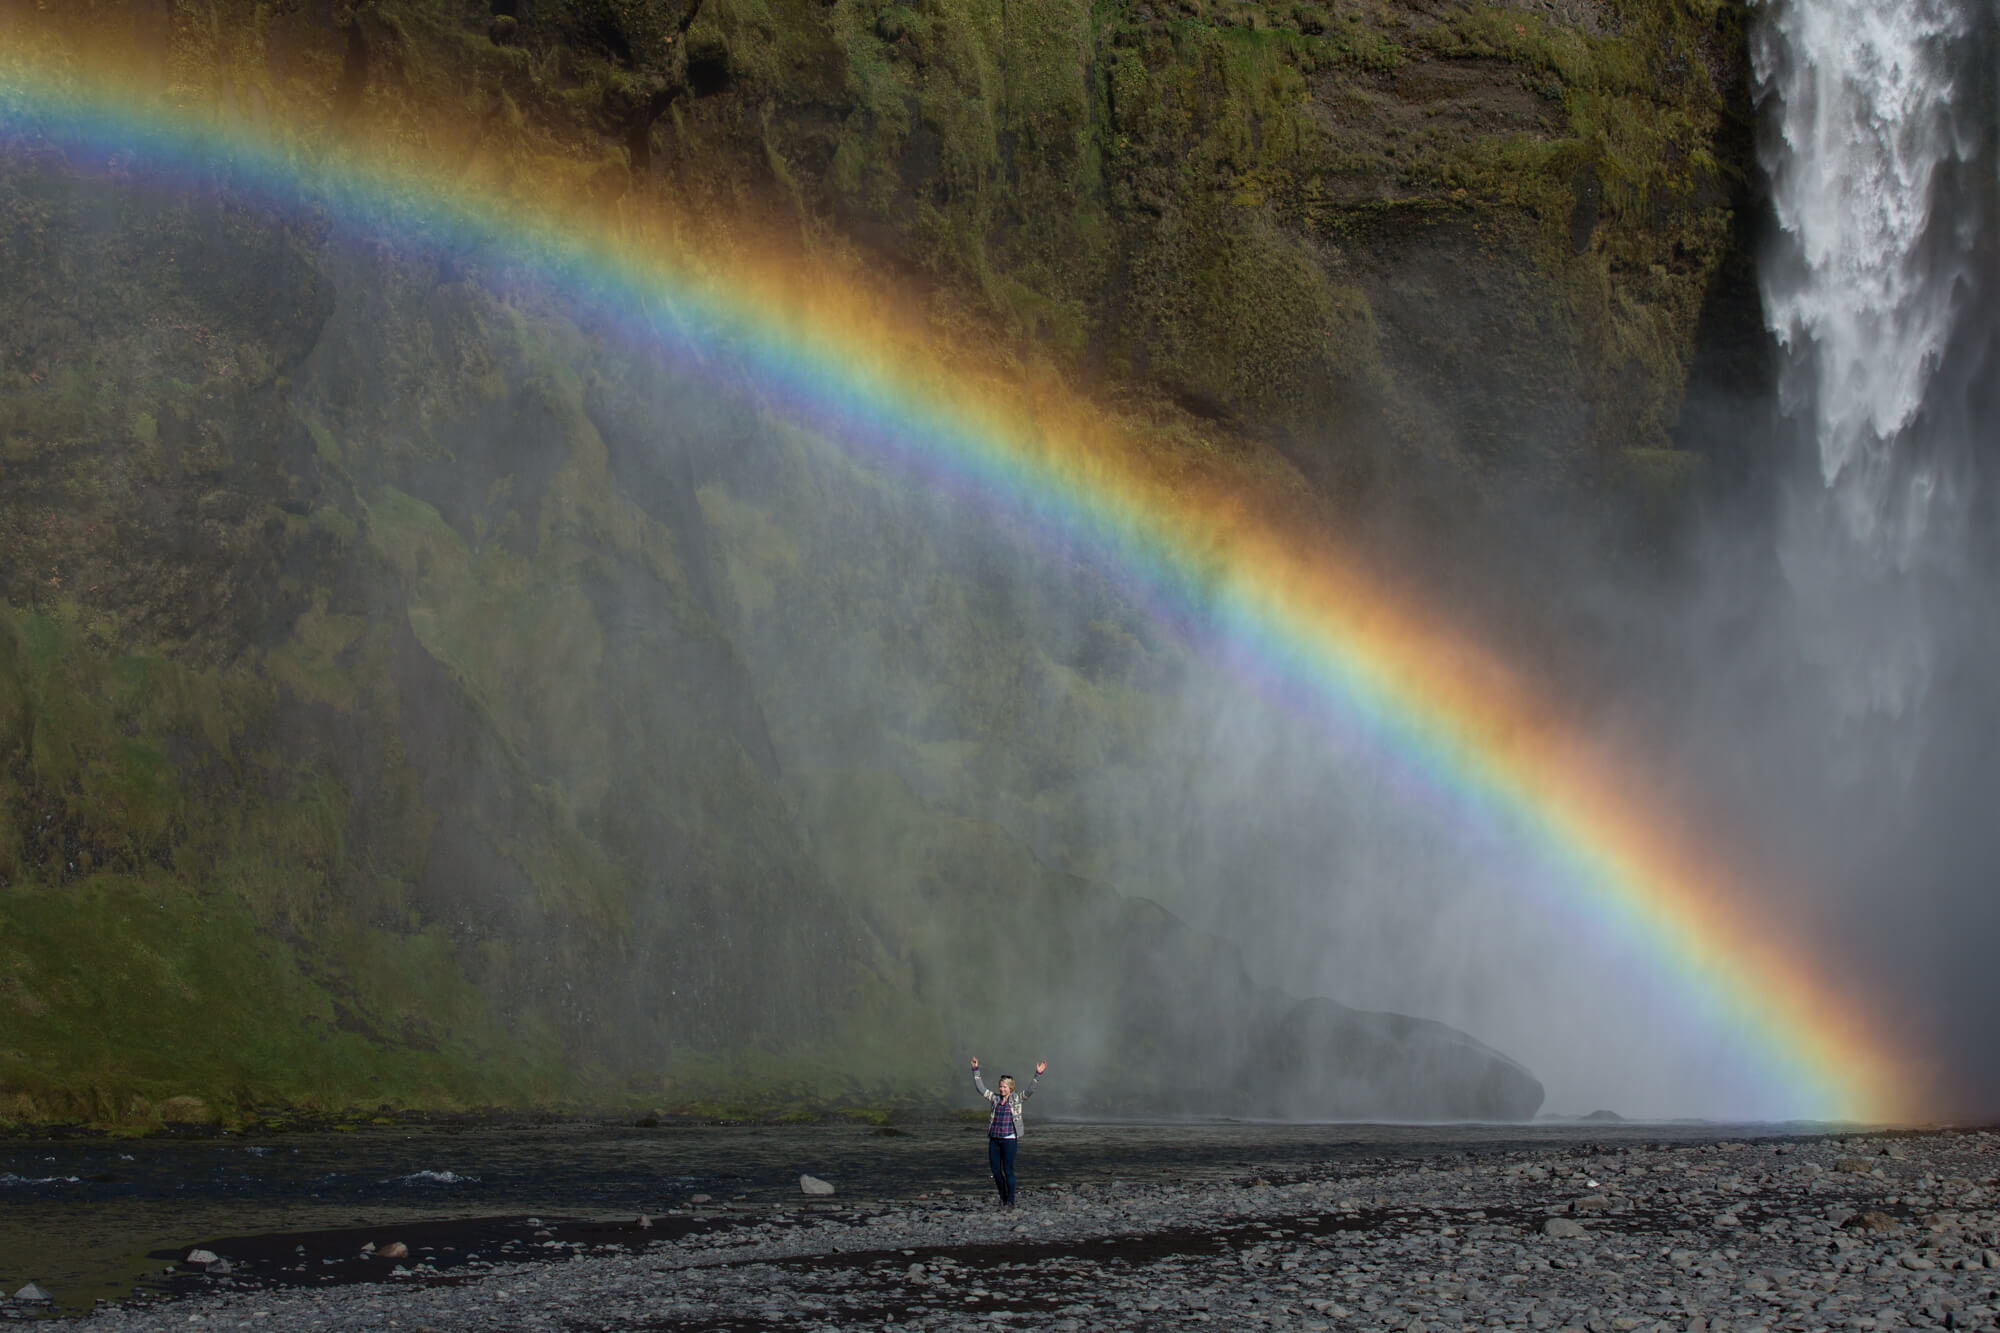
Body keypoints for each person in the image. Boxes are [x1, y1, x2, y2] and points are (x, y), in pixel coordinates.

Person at [970, 1055, 1046, 1208]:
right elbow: (981, 1089)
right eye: (1000, 1086)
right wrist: (975, 1070)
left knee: (1008, 1170)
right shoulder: (995, 1099)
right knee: (996, 1172)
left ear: (1010, 1088)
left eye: (1004, 1087)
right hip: (994, 1139)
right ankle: (1003, 1197)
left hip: (1010, 1139)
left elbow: (1030, 1091)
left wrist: (1037, 1075)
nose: (1001, 1089)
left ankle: (1010, 1200)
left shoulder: (1016, 1099)